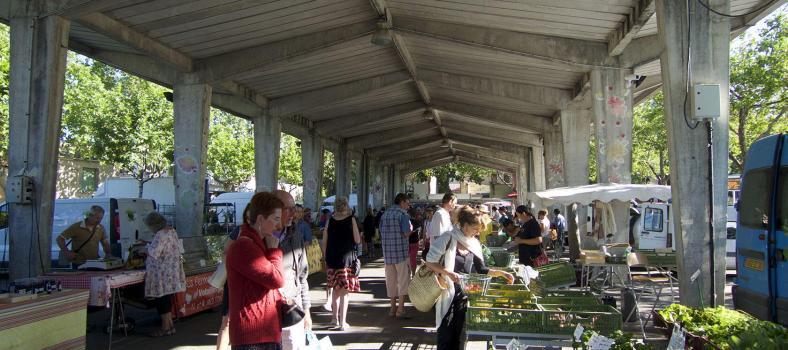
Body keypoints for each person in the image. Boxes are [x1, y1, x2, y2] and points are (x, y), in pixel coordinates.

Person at [425, 207, 514, 349]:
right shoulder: (448, 237)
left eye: (479, 230)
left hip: (462, 296)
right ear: (464, 225)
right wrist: (447, 272)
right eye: (475, 229)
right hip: (444, 293)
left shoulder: (474, 243)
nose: (477, 233)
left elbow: (482, 269)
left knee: (458, 336)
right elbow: (429, 261)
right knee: (445, 336)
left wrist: (502, 273)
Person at [226, 192, 285, 349]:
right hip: (253, 336)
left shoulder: (256, 244)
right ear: (260, 219)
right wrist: (274, 251)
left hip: (263, 332)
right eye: (276, 219)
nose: (279, 226)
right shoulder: (244, 247)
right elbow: (277, 280)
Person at [274, 190, 312, 350]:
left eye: (294, 208)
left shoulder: (296, 233)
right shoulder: (258, 238)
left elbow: (302, 276)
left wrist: (306, 311)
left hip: (293, 306)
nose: (293, 213)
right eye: (287, 209)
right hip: (268, 311)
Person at [142, 211, 186, 337]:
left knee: (161, 300)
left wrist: (145, 249)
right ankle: (170, 326)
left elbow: (155, 252)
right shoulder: (171, 231)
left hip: (161, 273)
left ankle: (165, 327)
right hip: (171, 271)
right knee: (167, 299)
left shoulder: (160, 234)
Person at [322, 196, 361, 330]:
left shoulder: (330, 220)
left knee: (335, 289)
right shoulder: (351, 219)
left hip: (332, 259)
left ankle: (334, 319)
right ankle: (343, 322)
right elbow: (357, 240)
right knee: (344, 291)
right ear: (346, 205)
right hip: (346, 260)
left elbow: (325, 241)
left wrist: (324, 257)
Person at [216, 205, 250, 350]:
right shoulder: (239, 230)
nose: (251, 220)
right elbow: (225, 253)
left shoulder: (266, 233)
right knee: (227, 321)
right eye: (248, 217)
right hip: (234, 282)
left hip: (252, 285)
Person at [379, 193, 412, 318]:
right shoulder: (403, 215)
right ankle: (400, 309)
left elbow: (381, 232)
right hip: (401, 253)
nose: (408, 206)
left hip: (388, 253)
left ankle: (392, 308)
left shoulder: (385, 214)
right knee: (403, 280)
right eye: (407, 203)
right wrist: (411, 229)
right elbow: (405, 233)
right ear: (402, 202)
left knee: (391, 281)